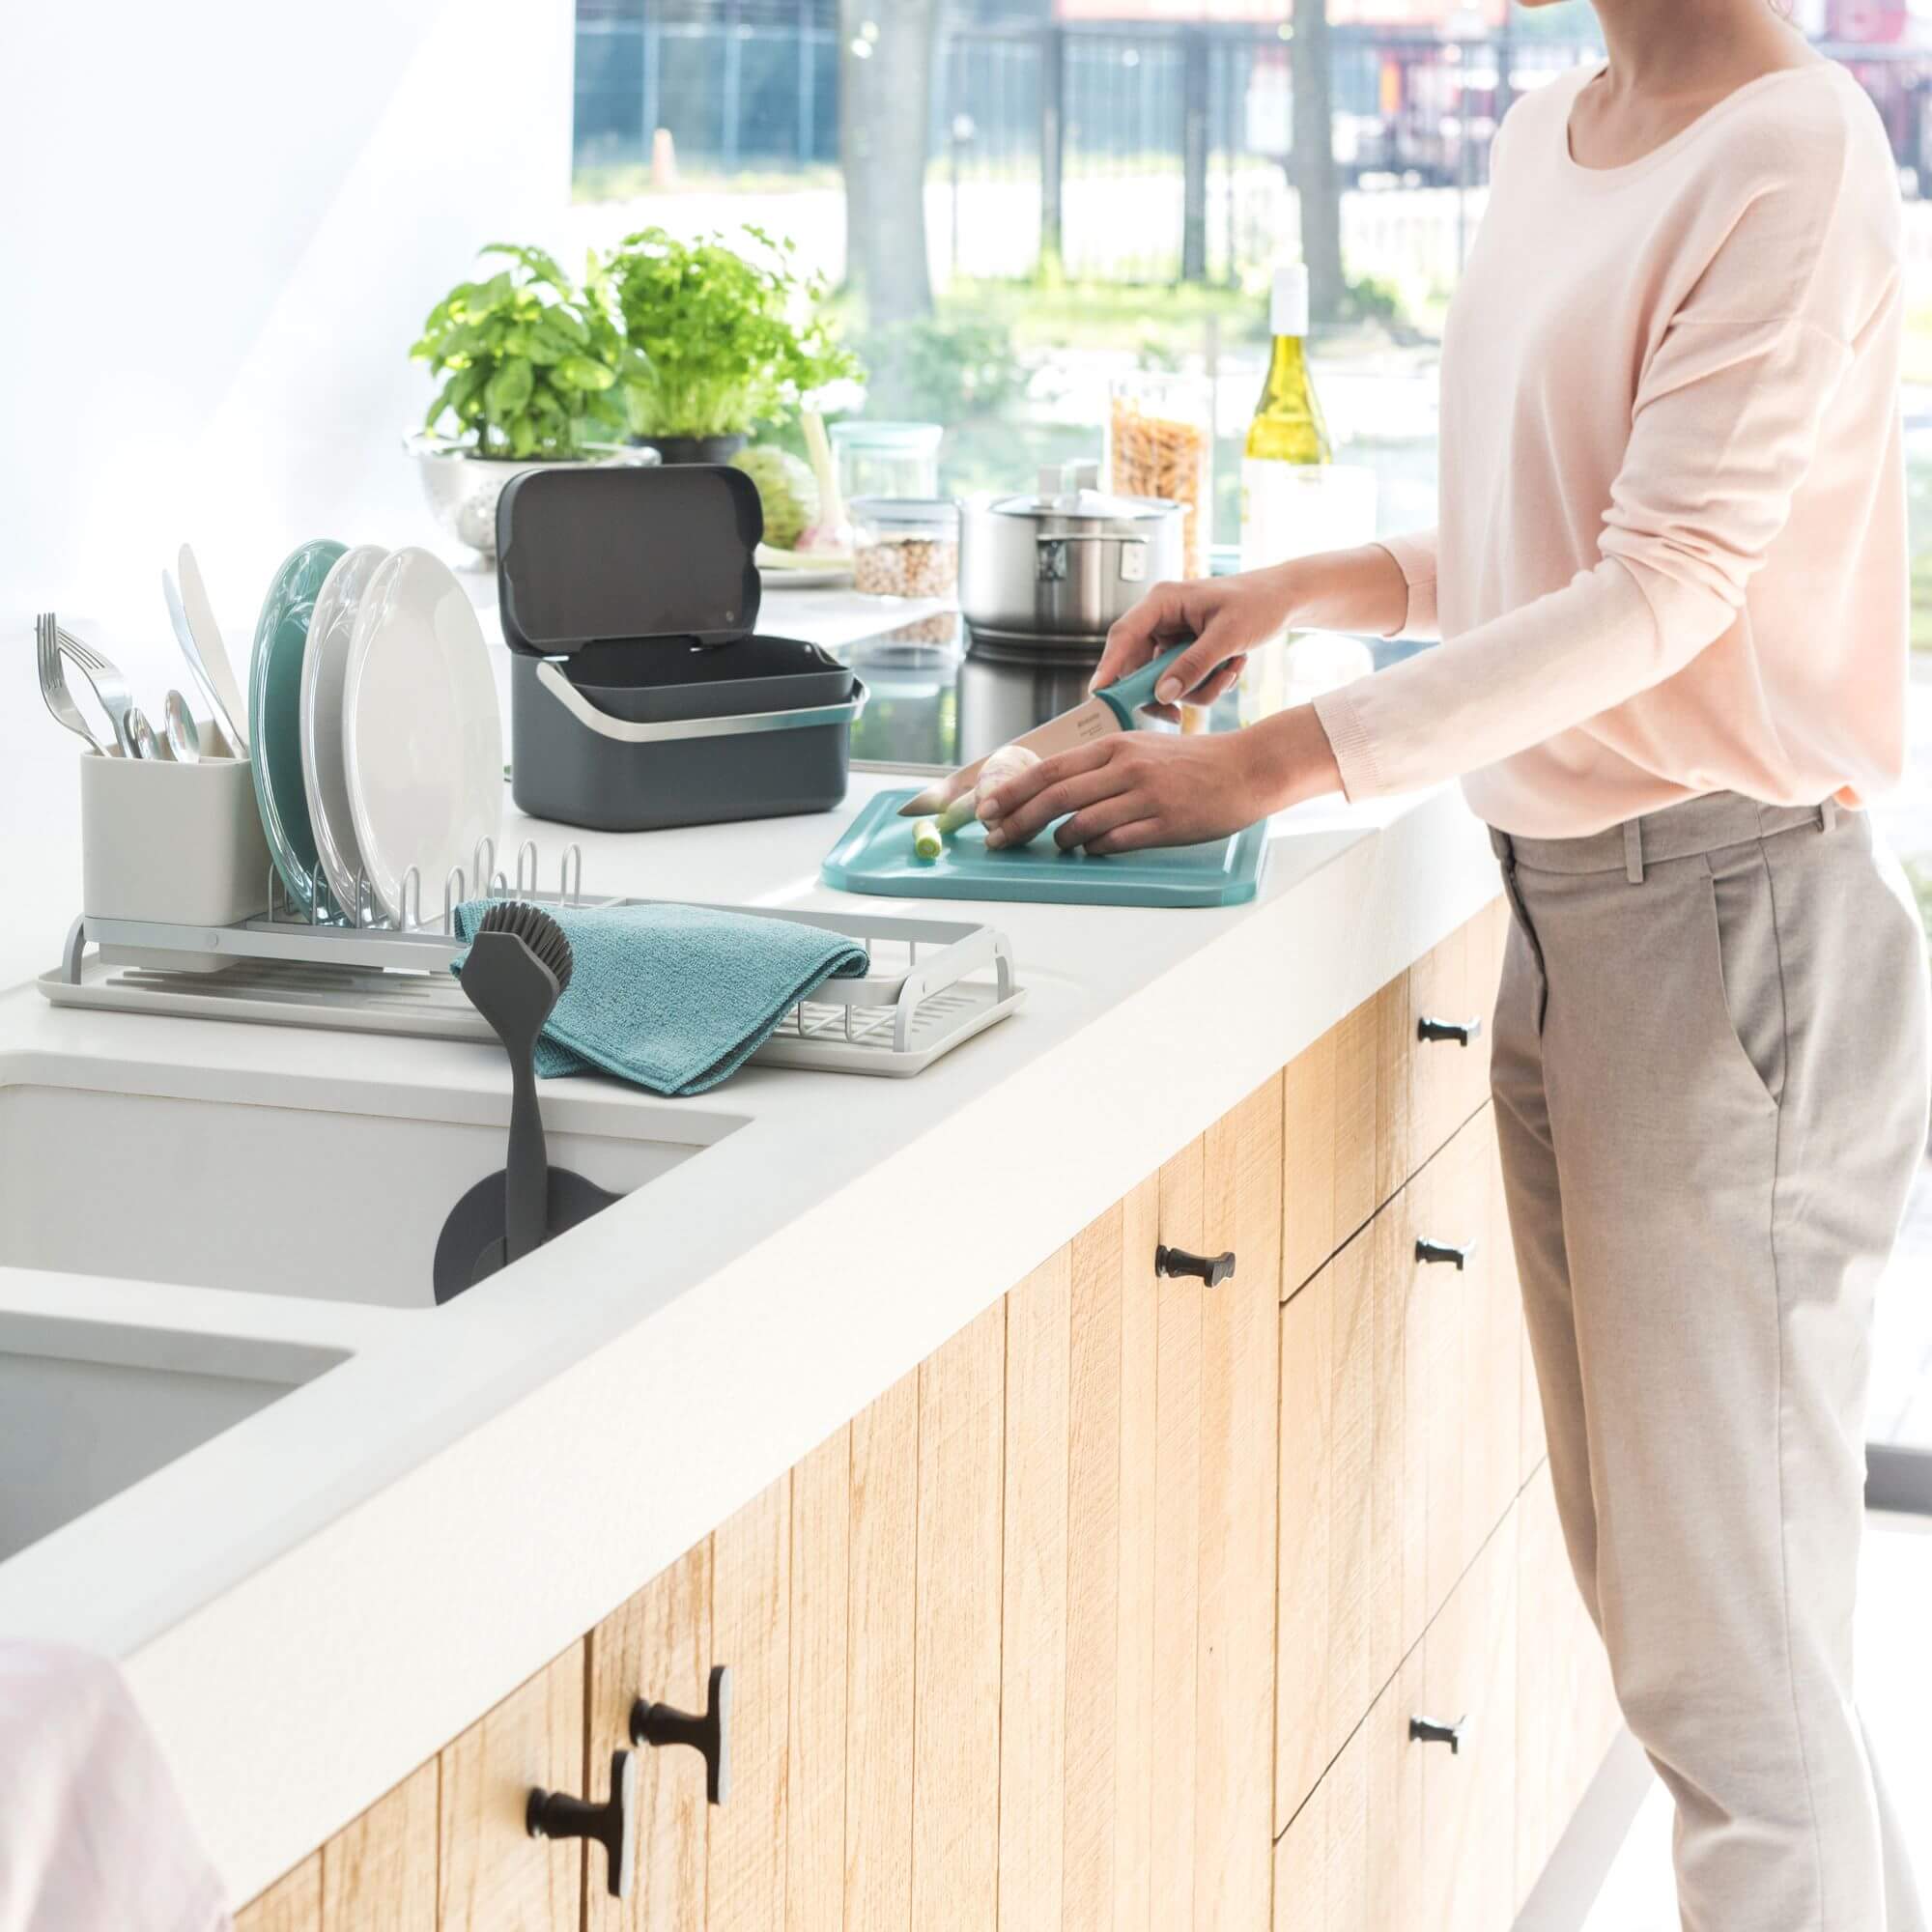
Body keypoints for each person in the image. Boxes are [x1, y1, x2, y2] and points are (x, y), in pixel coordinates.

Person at [976, 2, 1932, 1926]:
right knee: (1699, 1643)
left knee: (1729, 1680)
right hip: (1570, 920)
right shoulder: (1547, 131)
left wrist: (1263, 761)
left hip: (1730, 934)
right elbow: (1548, 539)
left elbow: (1668, 586)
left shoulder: (1793, 148)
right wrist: (1301, 591)